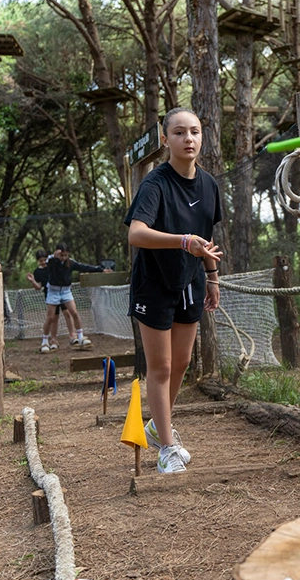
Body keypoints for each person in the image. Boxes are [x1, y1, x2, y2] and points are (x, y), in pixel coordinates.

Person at [125, 107, 223, 474]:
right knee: (161, 366)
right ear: (166, 140)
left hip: (191, 282)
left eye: (195, 132)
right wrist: (183, 242)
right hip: (154, 284)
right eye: (180, 133)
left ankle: (155, 426)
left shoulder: (209, 184)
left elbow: (207, 237)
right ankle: (166, 447)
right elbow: (136, 233)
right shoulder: (155, 183)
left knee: (181, 363)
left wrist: (211, 277)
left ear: (203, 137)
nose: (189, 139)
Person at [41, 243, 109, 353]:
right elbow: (48, 265)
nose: (63, 258)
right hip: (53, 291)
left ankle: (80, 336)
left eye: (65, 255)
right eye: (61, 255)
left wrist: (100, 269)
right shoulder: (52, 262)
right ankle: (44, 341)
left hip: (66, 291)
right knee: (51, 317)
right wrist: (54, 257)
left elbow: (84, 267)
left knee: (74, 312)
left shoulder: (71, 263)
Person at [26, 249, 77, 352]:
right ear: (38, 261)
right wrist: (33, 281)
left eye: (45, 259)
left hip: (61, 291)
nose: (44, 262)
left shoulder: (53, 266)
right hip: (50, 295)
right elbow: (38, 286)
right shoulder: (38, 271)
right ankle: (53, 339)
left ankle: (73, 335)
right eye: (41, 260)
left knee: (67, 312)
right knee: (53, 317)